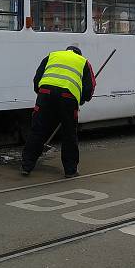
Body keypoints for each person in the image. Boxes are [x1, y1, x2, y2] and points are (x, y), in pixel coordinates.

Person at [21, 45, 96, 178]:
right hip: (68, 98)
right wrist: (82, 99)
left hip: (45, 95)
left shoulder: (52, 56)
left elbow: (37, 79)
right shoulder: (83, 61)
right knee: (69, 134)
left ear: (66, 50)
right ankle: (70, 170)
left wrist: (41, 93)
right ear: (78, 54)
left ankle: (26, 166)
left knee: (37, 130)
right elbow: (90, 88)